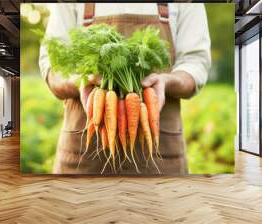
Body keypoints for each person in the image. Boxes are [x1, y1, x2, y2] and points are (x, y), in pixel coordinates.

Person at [39, 3, 211, 175]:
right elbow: (54, 69)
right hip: (82, 158)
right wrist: (82, 81)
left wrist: (166, 81)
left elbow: (196, 63)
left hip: (160, 160)